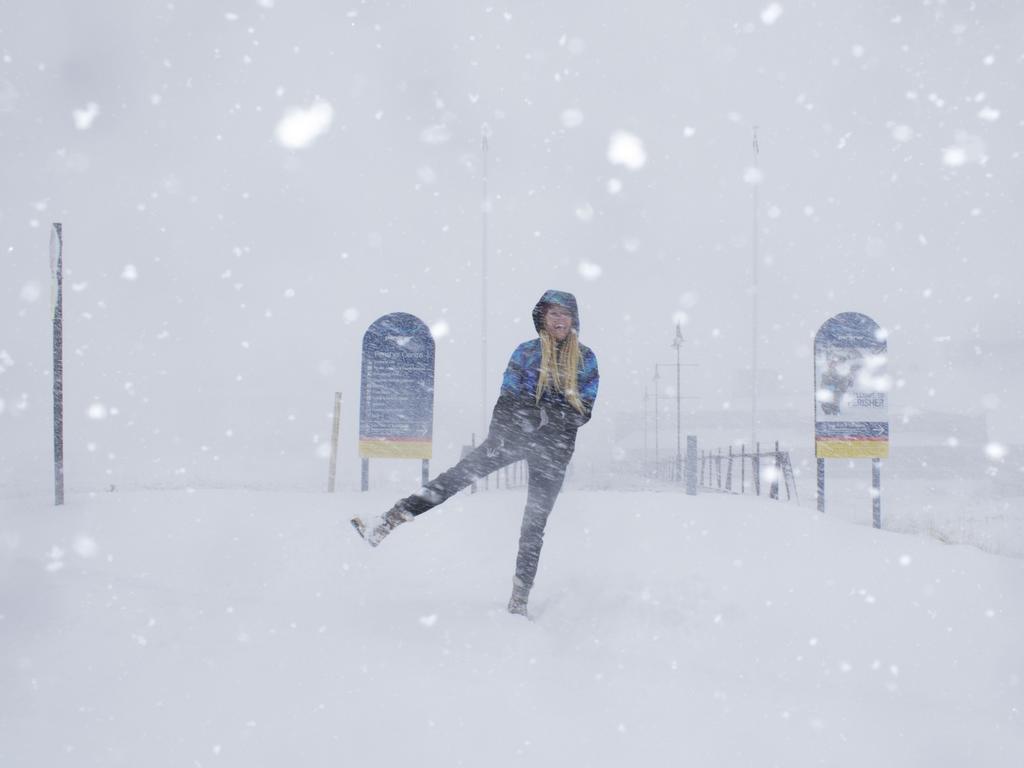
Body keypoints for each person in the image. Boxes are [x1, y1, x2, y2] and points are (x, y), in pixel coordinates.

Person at [351, 289, 600, 617]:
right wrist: (502, 433)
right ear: (542, 316)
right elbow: (507, 397)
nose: (558, 319)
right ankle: (386, 521)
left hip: (554, 449)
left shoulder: (585, 359)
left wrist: (544, 416)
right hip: (514, 437)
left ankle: (519, 597)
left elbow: (583, 411)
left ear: (573, 320)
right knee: (454, 478)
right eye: (552, 313)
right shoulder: (525, 353)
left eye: (564, 314)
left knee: (533, 523)